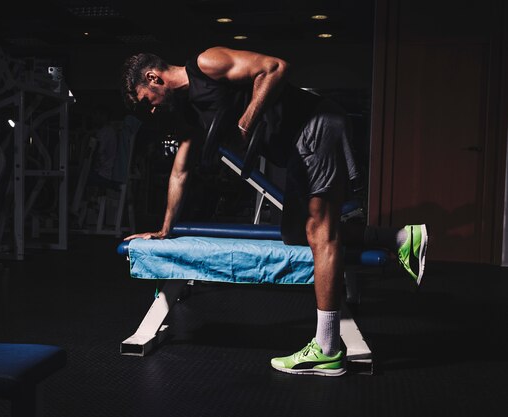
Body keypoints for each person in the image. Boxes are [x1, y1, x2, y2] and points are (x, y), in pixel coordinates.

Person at [120, 47, 428, 376]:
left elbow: (275, 67)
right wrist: (166, 228)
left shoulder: (206, 63)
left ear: (154, 78)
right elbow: (179, 173)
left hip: (314, 124)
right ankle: (399, 237)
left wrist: (245, 125)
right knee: (295, 233)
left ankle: (327, 347)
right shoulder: (191, 114)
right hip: (296, 146)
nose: (149, 111)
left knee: (320, 231)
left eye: (144, 101)